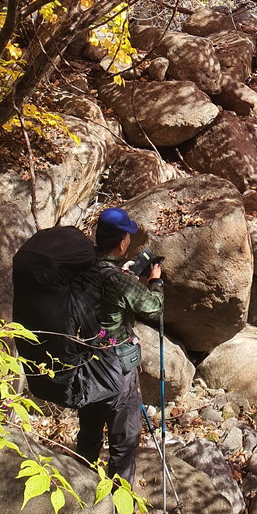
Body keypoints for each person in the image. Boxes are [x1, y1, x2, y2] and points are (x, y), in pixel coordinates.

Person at [75, 206, 164, 487]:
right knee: (124, 442)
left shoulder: (83, 267)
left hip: (85, 362)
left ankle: (80, 491)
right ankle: (118, 501)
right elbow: (154, 308)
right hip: (117, 367)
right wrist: (155, 281)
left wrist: (122, 273)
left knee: (89, 434)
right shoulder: (118, 280)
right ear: (122, 242)